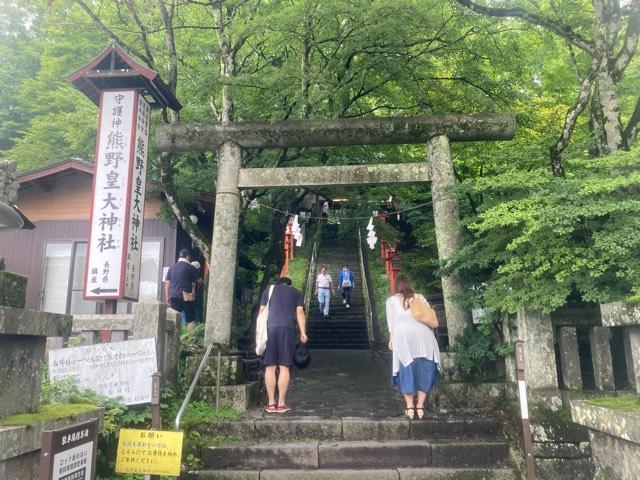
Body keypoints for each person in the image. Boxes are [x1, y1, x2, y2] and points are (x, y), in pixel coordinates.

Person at [386, 276, 440, 419]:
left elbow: (392, 324)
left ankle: (410, 407)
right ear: (409, 285)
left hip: (404, 339)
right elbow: (430, 316)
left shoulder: (391, 301)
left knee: (406, 371)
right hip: (425, 339)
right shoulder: (419, 297)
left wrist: (391, 339)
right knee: (425, 370)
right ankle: (420, 407)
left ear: (395, 287)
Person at [259, 277, 308, 413]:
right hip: (287, 329)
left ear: (277, 284)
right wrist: (303, 332)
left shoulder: (269, 290)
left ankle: (270, 404)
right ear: (290, 285)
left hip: (270, 329)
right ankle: (281, 404)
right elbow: (299, 312)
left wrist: (259, 333)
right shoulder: (296, 293)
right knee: (284, 366)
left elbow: (262, 311)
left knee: (270, 366)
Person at [164, 249, 202, 328]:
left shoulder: (172, 267)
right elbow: (199, 281)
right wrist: (204, 286)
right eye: (189, 257)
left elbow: (167, 283)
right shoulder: (190, 267)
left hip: (173, 296)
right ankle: (190, 338)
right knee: (190, 320)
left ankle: (174, 338)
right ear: (187, 256)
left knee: (174, 319)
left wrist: (167, 296)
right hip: (186, 297)